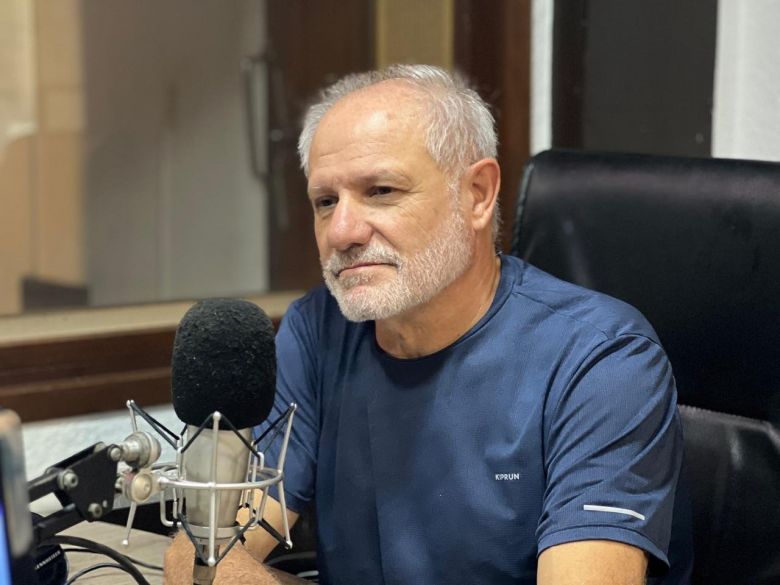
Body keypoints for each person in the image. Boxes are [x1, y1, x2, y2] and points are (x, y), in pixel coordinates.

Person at [165, 64, 692, 584]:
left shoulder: (603, 360)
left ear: (477, 194)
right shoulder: (316, 331)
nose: (342, 231)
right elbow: (203, 555)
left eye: (381, 191)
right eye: (325, 202)